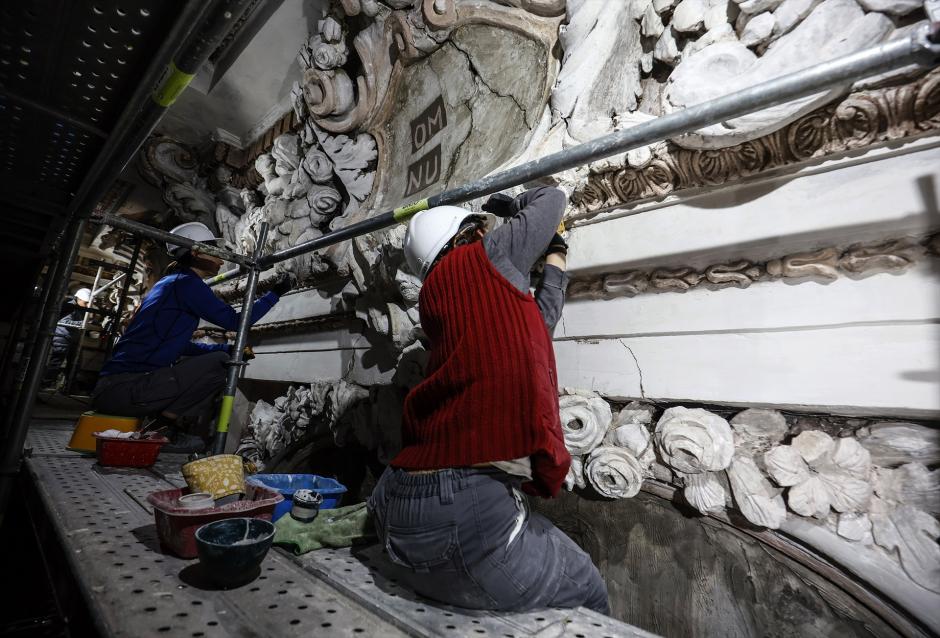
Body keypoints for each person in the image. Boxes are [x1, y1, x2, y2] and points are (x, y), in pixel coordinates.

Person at [368, 187, 609, 614]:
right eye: (484, 228)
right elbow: (552, 199)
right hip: (457, 505)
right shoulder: (481, 255)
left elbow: (535, 327)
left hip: (398, 499)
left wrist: (556, 255)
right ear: (471, 233)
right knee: (586, 589)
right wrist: (513, 205)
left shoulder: (440, 299)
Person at [91, 222, 292, 452]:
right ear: (195, 252)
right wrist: (276, 292)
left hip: (114, 389)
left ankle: (161, 427)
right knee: (219, 365)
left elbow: (176, 346)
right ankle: (164, 431)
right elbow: (237, 322)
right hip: (126, 390)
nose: (221, 258)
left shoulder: (170, 283)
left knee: (218, 357)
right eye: (214, 252)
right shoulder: (187, 284)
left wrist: (225, 349)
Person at [42, 287, 92, 389]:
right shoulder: (69, 306)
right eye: (86, 302)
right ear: (79, 298)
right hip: (62, 337)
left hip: (72, 338)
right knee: (56, 363)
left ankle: (69, 386)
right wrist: (82, 323)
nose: (87, 305)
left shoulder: (80, 307)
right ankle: (43, 385)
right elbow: (63, 321)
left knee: (75, 363)